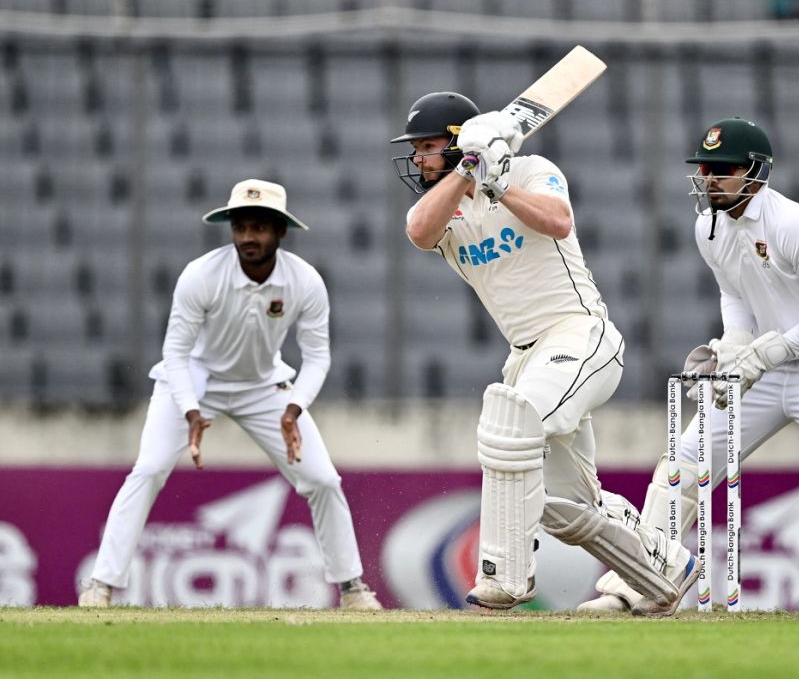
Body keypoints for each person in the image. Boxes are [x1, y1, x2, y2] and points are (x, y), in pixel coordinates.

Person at [394, 92, 696, 617]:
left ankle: (504, 576)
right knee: (569, 508)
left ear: (456, 139)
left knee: (512, 424)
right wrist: (468, 168)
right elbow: (419, 232)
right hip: (527, 356)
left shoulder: (532, 170)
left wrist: (498, 183)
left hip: (580, 336)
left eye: (426, 147)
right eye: (416, 150)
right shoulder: (446, 206)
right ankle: (663, 569)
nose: (418, 159)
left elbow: (557, 221)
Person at [580, 117, 799, 614]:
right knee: (683, 462)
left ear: (755, 171)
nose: (708, 178)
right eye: (704, 169)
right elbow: (734, 292)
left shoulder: (794, 225)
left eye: (721, 169)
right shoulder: (708, 228)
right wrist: (735, 346)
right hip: (766, 366)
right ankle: (639, 586)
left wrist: (766, 352)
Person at [78, 180, 381, 610]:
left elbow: (317, 357)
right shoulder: (201, 275)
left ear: (281, 231)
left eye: (259, 227)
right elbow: (175, 353)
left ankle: (352, 588)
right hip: (194, 380)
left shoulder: (305, 281)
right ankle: (101, 585)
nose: (247, 237)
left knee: (323, 480)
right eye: (240, 227)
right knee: (148, 469)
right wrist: (190, 410)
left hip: (263, 386)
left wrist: (293, 409)